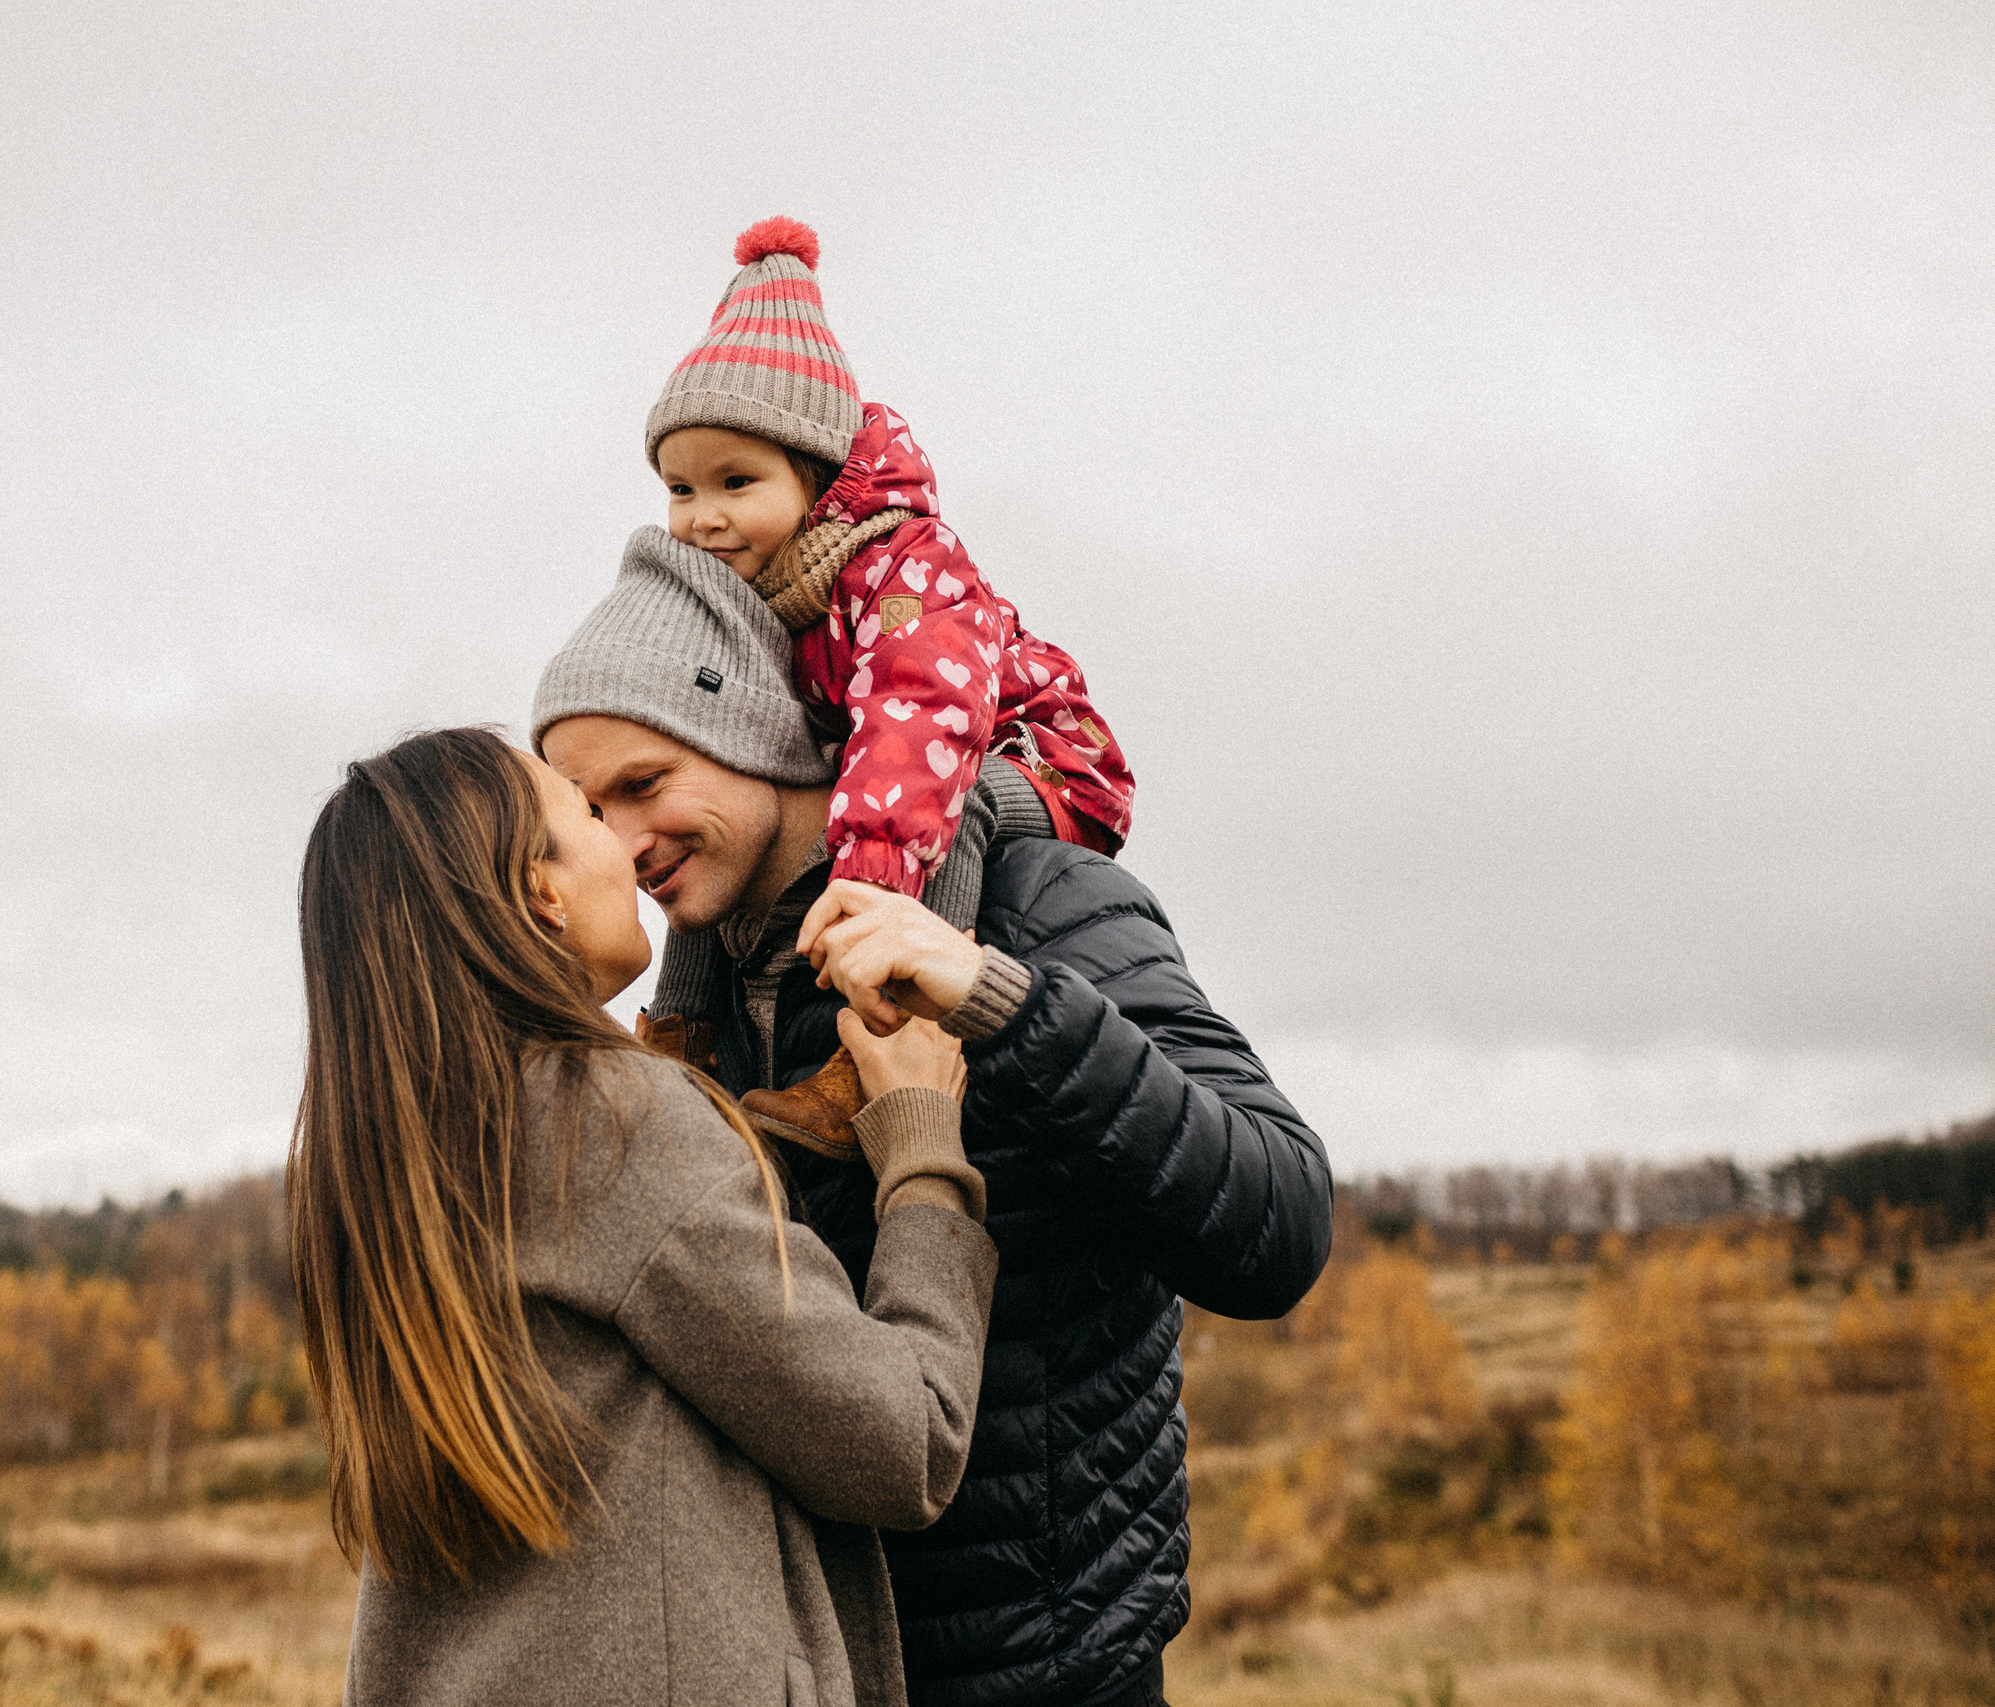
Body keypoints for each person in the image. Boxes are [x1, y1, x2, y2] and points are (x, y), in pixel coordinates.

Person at [532, 543, 1336, 1707]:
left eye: (647, 782)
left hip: (1045, 1663)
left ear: (761, 730)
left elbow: (1275, 1228)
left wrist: (998, 1002)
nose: (622, 838)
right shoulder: (692, 1000)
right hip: (819, 1663)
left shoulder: (1036, 902)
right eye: (591, 807)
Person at [289, 725, 1001, 1707]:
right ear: (539, 892)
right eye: (584, 814)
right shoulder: (608, 1121)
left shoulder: (391, 1169)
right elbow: (901, 1445)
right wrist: (922, 1149)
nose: (625, 846)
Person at [639, 217, 1137, 1162]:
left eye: (735, 482)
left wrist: (868, 884)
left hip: (1037, 756)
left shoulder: (903, 565)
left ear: (817, 474)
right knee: (718, 825)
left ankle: (883, 1035)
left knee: (962, 806)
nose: (701, 518)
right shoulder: (755, 588)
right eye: (678, 489)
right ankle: (683, 1041)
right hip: (895, 765)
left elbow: (922, 720)